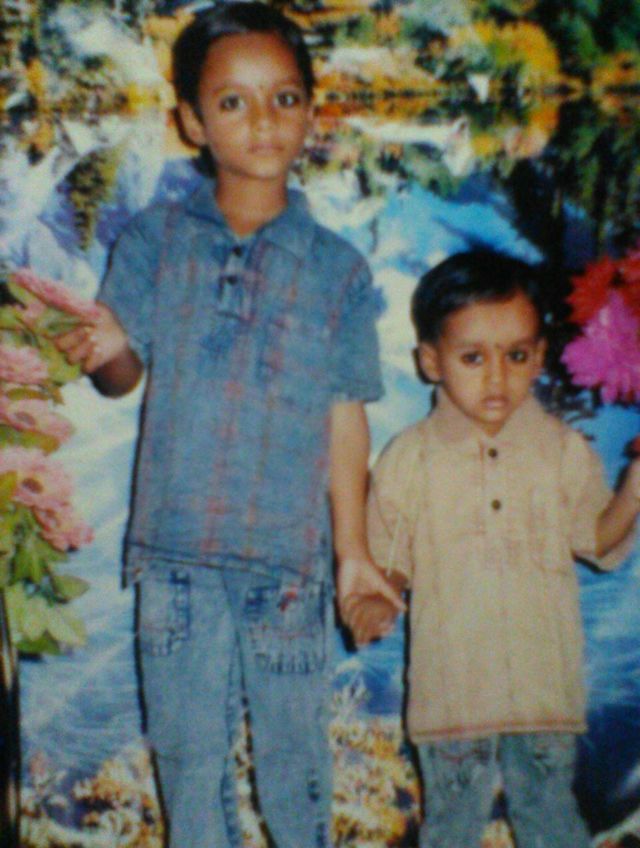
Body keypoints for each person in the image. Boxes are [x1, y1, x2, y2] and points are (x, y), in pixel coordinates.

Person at [56, 4, 402, 846]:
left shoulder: (339, 269)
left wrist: (353, 554)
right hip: (174, 557)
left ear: (312, 112)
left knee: (297, 769)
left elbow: (345, 415)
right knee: (188, 765)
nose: (263, 122)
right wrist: (106, 348)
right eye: (233, 102)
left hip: (288, 564)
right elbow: (120, 379)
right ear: (192, 121)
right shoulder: (153, 239)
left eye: (284, 98)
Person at [350, 250, 640, 847]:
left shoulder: (563, 451)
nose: (497, 377)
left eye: (517, 355)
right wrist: (377, 600)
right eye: (473, 357)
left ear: (540, 354)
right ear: (431, 361)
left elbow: (599, 541)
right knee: (451, 825)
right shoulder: (410, 458)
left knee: (551, 817)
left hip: (543, 690)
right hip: (452, 692)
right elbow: (388, 560)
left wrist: (633, 489)